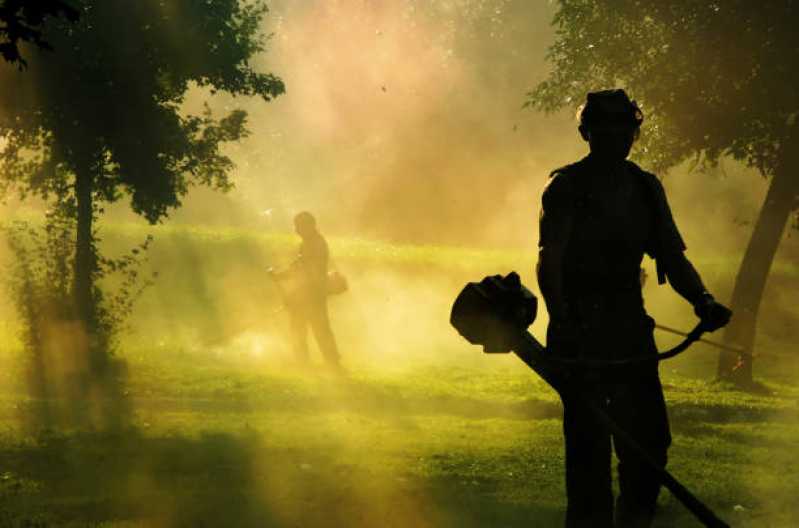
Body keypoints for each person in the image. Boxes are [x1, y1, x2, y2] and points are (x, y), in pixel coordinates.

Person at [536, 89, 731, 528]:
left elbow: (671, 257)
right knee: (589, 448)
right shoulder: (565, 187)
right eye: (603, 127)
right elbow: (551, 261)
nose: (614, 135)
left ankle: (635, 520)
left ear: (633, 132)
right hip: (581, 332)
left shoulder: (644, 188)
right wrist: (563, 322)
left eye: (623, 126)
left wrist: (702, 300)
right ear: (587, 132)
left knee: (649, 443)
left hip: (630, 331)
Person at [271, 211, 341, 371]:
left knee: (310, 327)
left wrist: (284, 280)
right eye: (296, 226)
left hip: (312, 292)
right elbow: (298, 266)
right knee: (311, 326)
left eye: (299, 226)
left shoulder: (315, 244)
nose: (296, 230)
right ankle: (320, 361)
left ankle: (315, 362)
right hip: (309, 291)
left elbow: (306, 269)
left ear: (309, 226)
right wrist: (281, 276)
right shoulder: (310, 242)